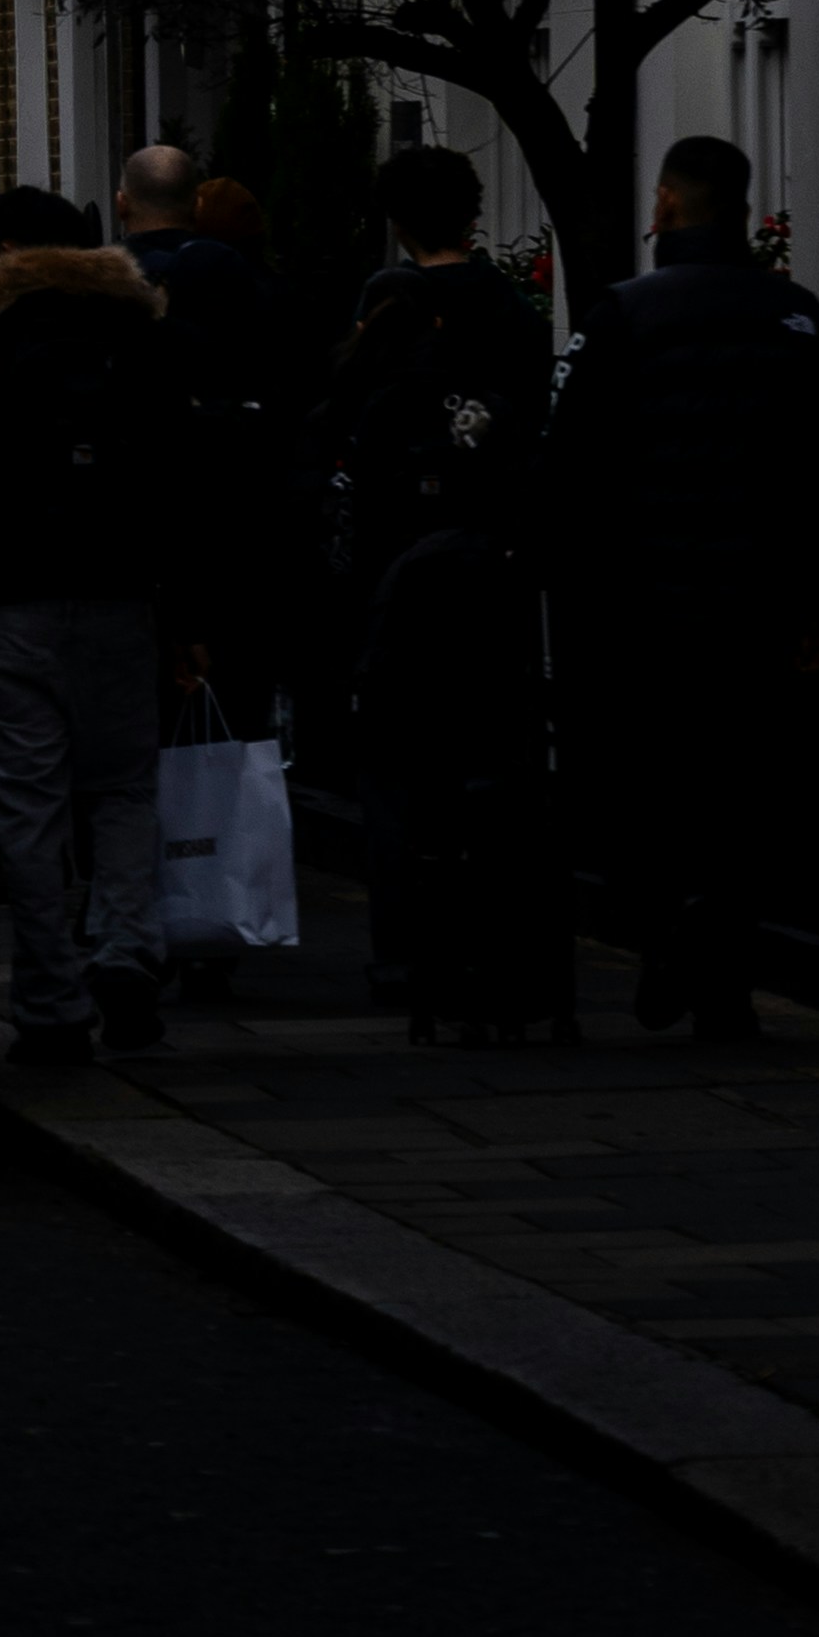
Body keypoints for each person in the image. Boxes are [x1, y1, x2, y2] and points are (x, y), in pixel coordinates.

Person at [550, 131, 819, 1047]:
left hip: (649, 601)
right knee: (747, 789)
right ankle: (723, 975)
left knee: (654, 784)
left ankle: (669, 930)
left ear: (666, 204)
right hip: (759, 599)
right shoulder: (796, 316)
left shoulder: (619, 316)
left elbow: (570, 467)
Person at [0, 183, 195, 1067]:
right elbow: (181, 474)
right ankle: (127, 950)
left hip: (15, 593)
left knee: (25, 809)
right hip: (123, 594)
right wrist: (184, 610)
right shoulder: (137, 330)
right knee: (122, 790)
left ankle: (49, 1000)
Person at [309, 142, 557, 1033]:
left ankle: (405, 950)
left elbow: (347, 432)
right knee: (489, 763)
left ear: (396, 220)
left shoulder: (388, 304)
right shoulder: (513, 310)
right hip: (490, 564)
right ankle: (491, 938)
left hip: (394, 568)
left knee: (396, 772)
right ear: (472, 213)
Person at [115, 139, 288, 725]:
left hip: (130, 538)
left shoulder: (100, 293)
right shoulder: (245, 287)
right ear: (194, 205)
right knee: (238, 710)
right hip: (236, 527)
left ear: (121, 204)